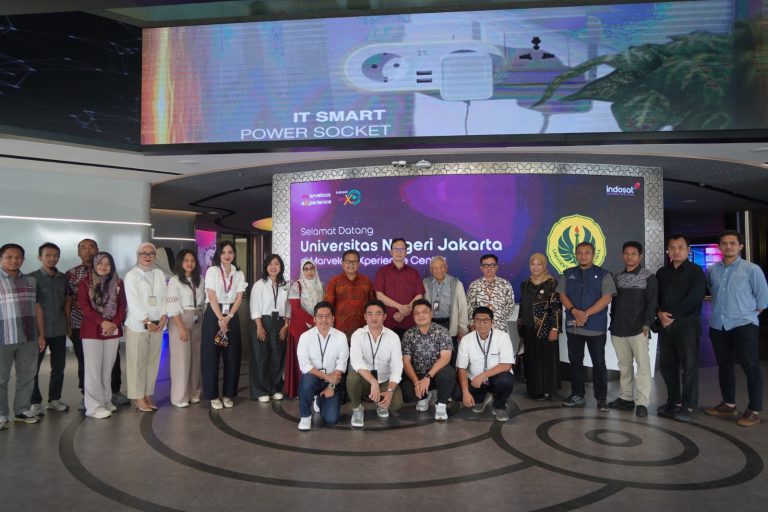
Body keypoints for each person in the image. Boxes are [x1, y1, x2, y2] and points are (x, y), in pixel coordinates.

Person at [704, 230, 768, 427]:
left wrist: (747, 315)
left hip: (744, 325)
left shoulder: (752, 269)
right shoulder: (712, 270)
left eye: (732, 243)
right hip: (718, 326)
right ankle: (729, 404)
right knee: (724, 366)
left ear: (740, 246)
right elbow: (712, 292)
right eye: (724, 243)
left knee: (751, 367)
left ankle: (754, 411)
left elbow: (762, 301)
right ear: (720, 247)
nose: (728, 246)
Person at [65, 238, 127, 409]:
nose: (104, 266)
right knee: (92, 370)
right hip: (91, 329)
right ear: (94, 264)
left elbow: (122, 306)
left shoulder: (118, 282)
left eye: (107, 263)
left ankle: (106, 400)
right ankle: (93, 406)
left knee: (107, 370)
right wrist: (102, 322)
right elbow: (84, 306)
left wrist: (113, 323)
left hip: (112, 330)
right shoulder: (85, 282)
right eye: (100, 263)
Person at [557, 242, 616, 410]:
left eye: (587, 253)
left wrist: (585, 314)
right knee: (575, 362)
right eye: (580, 253)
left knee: (599, 364)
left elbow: (607, 298)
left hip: (595, 328)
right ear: (575, 255)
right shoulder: (568, 273)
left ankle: (601, 399)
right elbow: (562, 295)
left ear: (593, 254)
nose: (583, 256)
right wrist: (574, 311)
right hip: (574, 326)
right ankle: (577, 394)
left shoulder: (604, 274)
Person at [655, 234, 706, 422]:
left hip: (687, 324)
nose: (676, 251)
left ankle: (690, 406)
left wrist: (672, 316)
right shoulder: (662, 272)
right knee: (667, 365)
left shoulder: (696, 272)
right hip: (665, 324)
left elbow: (695, 298)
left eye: (680, 247)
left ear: (688, 250)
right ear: (668, 250)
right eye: (672, 248)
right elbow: (655, 297)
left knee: (689, 366)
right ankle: (674, 402)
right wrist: (659, 312)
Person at [608, 242, 658, 418]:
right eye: (626, 253)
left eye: (633, 254)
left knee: (643, 367)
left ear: (640, 256)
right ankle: (626, 398)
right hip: (618, 329)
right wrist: (612, 324)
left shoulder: (648, 277)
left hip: (638, 329)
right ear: (622, 255)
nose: (629, 257)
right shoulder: (617, 277)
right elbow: (614, 304)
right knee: (624, 365)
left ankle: (642, 402)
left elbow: (652, 302)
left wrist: (646, 324)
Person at [0, 243, 45, 429]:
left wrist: (41, 335)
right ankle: (1, 415)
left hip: (28, 337)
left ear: (23, 259)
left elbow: (37, 308)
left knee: (27, 376)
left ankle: (22, 410)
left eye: (18, 257)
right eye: (9, 257)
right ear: (1, 259)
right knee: (1, 379)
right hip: (3, 337)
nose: (14, 260)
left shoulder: (31, 281)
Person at [202, 241, 246, 410]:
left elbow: (239, 298)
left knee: (232, 356)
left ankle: (228, 394)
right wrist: (221, 318)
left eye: (230, 252)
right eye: (223, 252)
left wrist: (229, 317)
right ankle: (213, 395)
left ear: (234, 254)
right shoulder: (212, 271)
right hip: (214, 314)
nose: (227, 255)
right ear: (219, 255)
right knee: (211, 356)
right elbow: (211, 295)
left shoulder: (238, 273)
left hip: (231, 315)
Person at [124, 242, 168, 412]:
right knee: (137, 362)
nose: (148, 256)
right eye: (144, 253)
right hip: (138, 325)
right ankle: (138, 397)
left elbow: (164, 297)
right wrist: (147, 321)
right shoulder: (131, 276)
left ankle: (148, 394)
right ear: (138, 256)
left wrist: (164, 316)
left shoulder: (159, 274)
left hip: (158, 324)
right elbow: (133, 302)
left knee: (153, 362)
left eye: (151, 253)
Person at [348, 300, 404, 428]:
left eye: (378, 314)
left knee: (395, 403)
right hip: (365, 380)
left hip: (384, 380)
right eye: (370, 314)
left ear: (384, 316)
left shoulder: (393, 337)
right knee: (352, 378)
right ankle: (357, 408)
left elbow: (397, 366)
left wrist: (390, 391)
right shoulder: (357, 335)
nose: (374, 318)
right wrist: (373, 381)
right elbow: (356, 362)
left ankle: (381, 404)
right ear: (365, 316)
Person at [28, 243, 69, 414]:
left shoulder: (64, 278)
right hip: (37, 331)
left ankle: (54, 399)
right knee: (33, 368)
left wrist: (68, 325)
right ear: (40, 257)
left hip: (59, 329)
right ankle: (35, 401)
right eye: (48, 255)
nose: (52, 258)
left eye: (55, 255)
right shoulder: (31, 278)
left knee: (58, 367)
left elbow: (67, 303)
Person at [296, 301, 349, 431]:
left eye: (327, 316)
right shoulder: (305, 337)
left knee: (331, 419)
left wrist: (331, 385)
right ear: (314, 319)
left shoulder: (341, 337)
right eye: (320, 316)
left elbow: (341, 365)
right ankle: (305, 416)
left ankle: (319, 400)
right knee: (307, 380)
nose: (324, 320)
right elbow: (304, 365)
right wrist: (327, 377)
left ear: (333, 318)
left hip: (332, 380)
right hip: (313, 377)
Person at [456, 306, 515, 422]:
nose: (482, 323)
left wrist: (483, 376)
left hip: (495, 378)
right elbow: (461, 368)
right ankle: (480, 399)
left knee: (505, 381)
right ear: (473, 322)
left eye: (486, 320)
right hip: (475, 380)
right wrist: (465, 392)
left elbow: (507, 365)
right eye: (478, 320)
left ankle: (499, 406)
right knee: (457, 393)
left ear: (492, 322)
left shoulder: (503, 337)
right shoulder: (466, 340)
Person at [401, 299, 454, 421]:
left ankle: (441, 404)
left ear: (431, 314)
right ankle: (424, 396)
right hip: (419, 375)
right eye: (417, 313)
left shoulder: (442, 331)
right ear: (413, 316)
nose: (421, 315)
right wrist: (416, 382)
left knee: (447, 374)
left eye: (425, 312)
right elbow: (406, 361)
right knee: (407, 393)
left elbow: (446, 358)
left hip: (437, 374)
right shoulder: (408, 334)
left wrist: (428, 377)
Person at [518, 253, 561, 401]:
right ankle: (533, 390)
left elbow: (556, 307)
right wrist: (520, 324)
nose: (535, 267)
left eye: (539, 264)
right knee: (531, 360)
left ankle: (547, 390)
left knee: (545, 360)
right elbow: (523, 305)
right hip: (528, 327)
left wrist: (555, 328)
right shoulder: (525, 284)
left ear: (544, 265)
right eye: (532, 264)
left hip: (545, 328)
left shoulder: (551, 283)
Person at [166, 249, 205, 408]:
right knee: (181, 360)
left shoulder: (200, 279)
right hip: (180, 319)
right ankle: (180, 397)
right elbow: (172, 305)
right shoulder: (174, 280)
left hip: (198, 318)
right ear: (180, 262)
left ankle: (194, 392)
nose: (189, 263)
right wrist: (181, 327)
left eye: (192, 261)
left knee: (196, 359)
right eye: (186, 260)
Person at [250, 254, 291, 402]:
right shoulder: (259, 284)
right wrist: (259, 326)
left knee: (277, 356)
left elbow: (288, 307)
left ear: (281, 267)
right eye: (270, 264)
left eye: (276, 264)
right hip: (263, 322)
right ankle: (261, 390)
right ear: (266, 267)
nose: (273, 267)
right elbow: (255, 306)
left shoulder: (285, 285)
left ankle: (275, 388)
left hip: (280, 323)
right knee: (261, 356)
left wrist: (286, 325)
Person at [285, 258, 323, 399]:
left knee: (315, 359)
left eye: (311, 268)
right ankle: (299, 391)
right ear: (302, 271)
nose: (309, 271)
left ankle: (314, 390)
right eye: (306, 269)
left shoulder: (321, 285)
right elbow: (295, 308)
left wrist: (318, 321)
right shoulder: (297, 286)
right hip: (300, 328)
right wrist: (313, 320)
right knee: (301, 359)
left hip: (317, 328)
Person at [374, 238, 425, 337]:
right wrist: (400, 308)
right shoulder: (382, 272)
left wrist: (404, 312)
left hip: (409, 322)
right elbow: (379, 296)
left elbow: (419, 296)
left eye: (402, 249)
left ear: (406, 252)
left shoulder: (413, 272)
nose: (399, 252)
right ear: (391, 251)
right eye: (396, 249)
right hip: (388, 322)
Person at [422, 256, 468, 364]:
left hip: (449, 325)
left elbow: (463, 307)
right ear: (431, 270)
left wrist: (462, 329)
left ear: (446, 268)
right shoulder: (425, 283)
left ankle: (450, 373)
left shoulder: (456, 283)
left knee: (450, 357)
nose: (439, 270)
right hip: (431, 325)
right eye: (435, 268)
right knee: (432, 356)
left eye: (441, 267)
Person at [323, 250, 376, 340]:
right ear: (342, 263)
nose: (351, 264)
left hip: (363, 329)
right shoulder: (334, 282)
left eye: (354, 262)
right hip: (340, 329)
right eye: (348, 261)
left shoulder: (367, 281)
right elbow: (328, 305)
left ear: (359, 264)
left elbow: (373, 304)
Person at [466, 254, 515, 333]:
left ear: (496, 267)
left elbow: (510, 306)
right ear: (481, 268)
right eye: (485, 265)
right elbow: (469, 308)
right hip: (480, 329)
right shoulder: (474, 285)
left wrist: (499, 317)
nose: (489, 268)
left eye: (492, 265)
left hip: (500, 328)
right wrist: (472, 325)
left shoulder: (505, 284)